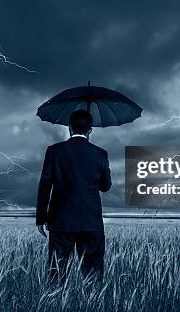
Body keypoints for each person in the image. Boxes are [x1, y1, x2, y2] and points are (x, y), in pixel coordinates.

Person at [36, 109, 112, 283]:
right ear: (90, 130)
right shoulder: (100, 153)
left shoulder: (54, 151)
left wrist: (41, 217)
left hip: (61, 221)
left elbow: (45, 185)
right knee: (93, 278)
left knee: (56, 276)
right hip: (90, 222)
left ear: (69, 127)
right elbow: (105, 186)